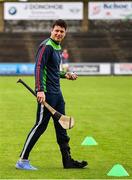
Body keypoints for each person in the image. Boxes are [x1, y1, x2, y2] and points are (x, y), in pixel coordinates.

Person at [15, 19, 88, 170]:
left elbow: (53, 71)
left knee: (62, 126)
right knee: (40, 126)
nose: (59, 33)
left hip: (57, 94)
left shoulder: (57, 47)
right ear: (51, 30)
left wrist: (65, 74)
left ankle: (67, 161)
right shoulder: (46, 46)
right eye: (56, 30)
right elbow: (39, 67)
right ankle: (22, 160)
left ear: (65, 33)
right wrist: (39, 89)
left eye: (62, 31)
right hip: (47, 93)